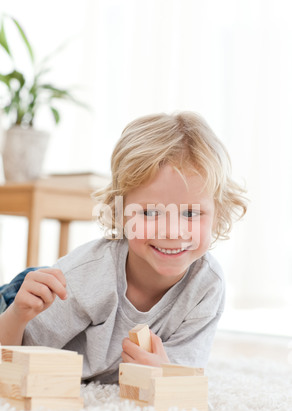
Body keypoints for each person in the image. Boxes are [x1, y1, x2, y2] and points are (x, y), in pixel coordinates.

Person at [0, 112, 247, 383]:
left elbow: (183, 377)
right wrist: (16, 315)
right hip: (22, 303)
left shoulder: (206, 284)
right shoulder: (86, 279)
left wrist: (163, 373)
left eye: (191, 213)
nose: (173, 231)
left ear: (218, 213)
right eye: (151, 212)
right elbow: (12, 357)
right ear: (120, 213)